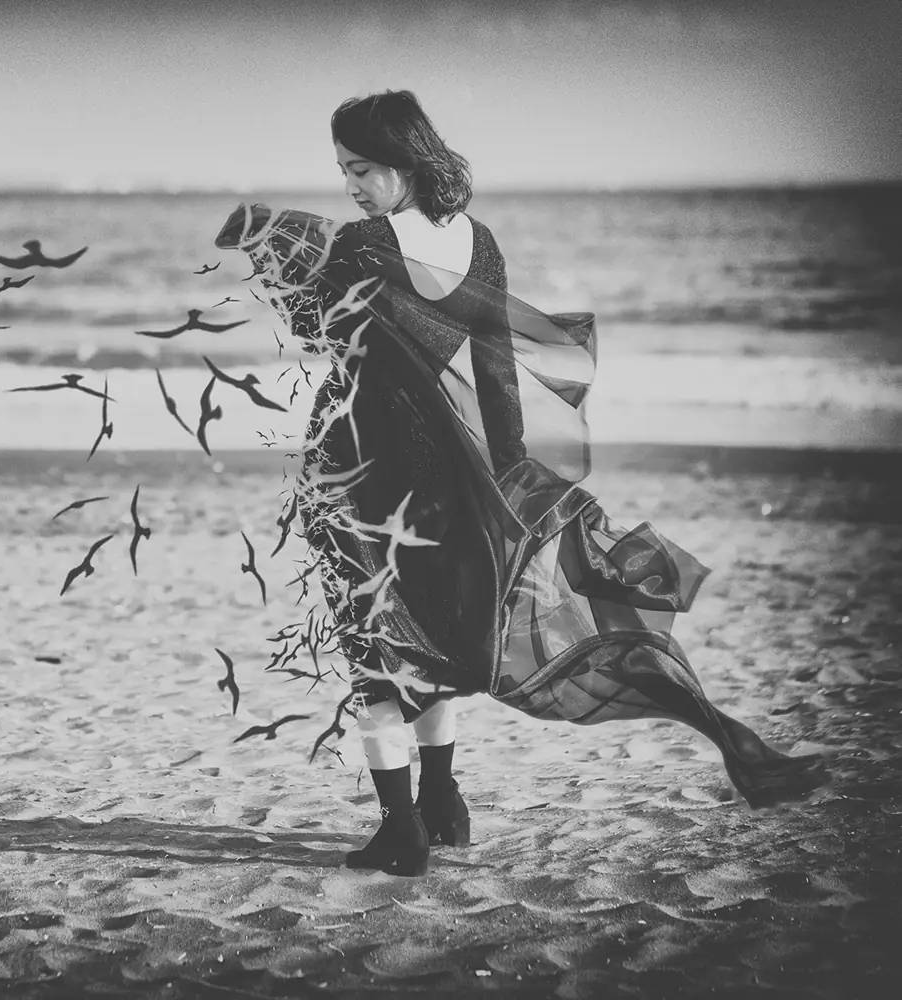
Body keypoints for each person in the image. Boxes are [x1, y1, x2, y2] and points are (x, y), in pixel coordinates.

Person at [215, 90, 826, 878]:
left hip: (361, 465)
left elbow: (318, 330)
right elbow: (495, 368)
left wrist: (271, 240)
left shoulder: (364, 245)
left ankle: (400, 828)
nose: (352, 187)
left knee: (379, 644)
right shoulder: (481, 241)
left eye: (362, 169)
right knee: (432, 632)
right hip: (454, 467)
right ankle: (445, 804)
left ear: (404, 160)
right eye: (343, 172)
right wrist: (508, 471)